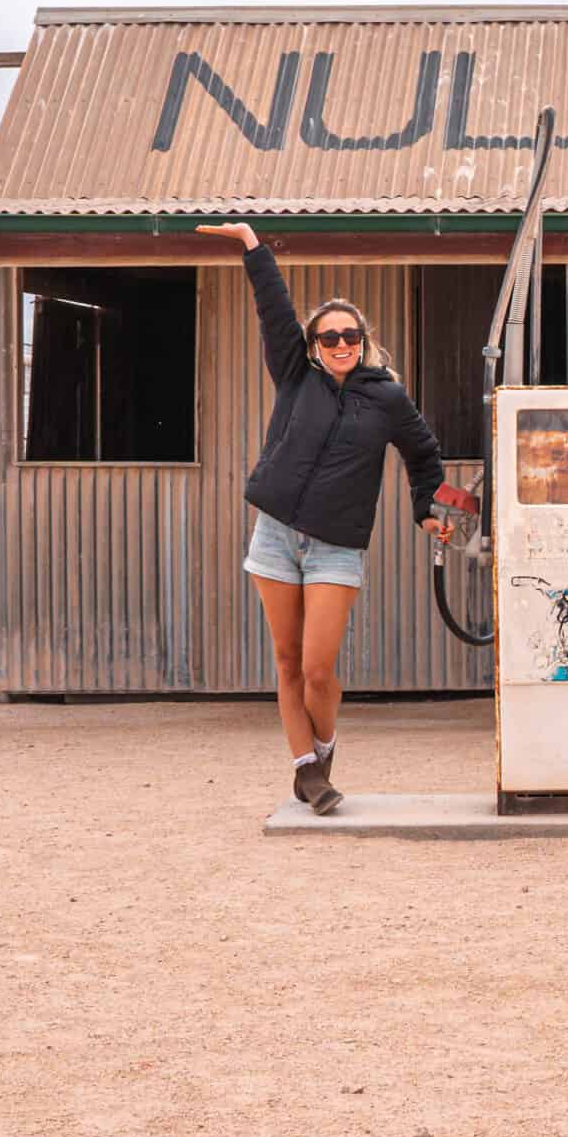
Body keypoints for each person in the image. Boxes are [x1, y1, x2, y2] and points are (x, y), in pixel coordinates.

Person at [198, 221, 450, 813]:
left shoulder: (386, 396)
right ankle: (307, 770)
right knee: (286, 663)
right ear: (313, 346)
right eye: (330, 337)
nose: (341, 344)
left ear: (363, 340)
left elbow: (424, 454)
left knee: (317, 669)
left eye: (351, 335)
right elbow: (273, 310)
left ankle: (324, 747)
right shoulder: (295, 376)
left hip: (337, 545)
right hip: (276, 536)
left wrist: (425, 509)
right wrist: (252, 246)